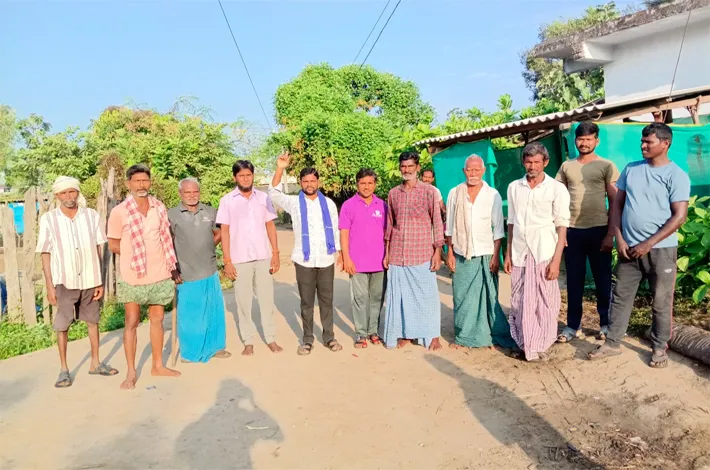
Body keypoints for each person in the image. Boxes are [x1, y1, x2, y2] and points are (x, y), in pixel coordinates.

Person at [589, 123, 690, 368]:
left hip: (661, 250)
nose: (643, 146)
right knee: (620, 297)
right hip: (628, 248)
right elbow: (617, 205)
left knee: (661, 301)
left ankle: (659, 347)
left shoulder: (676, 175)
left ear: (665, 144)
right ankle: (612, 343)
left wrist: (648, 243)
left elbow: (679, 216)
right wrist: (619, 238)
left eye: (648, 142)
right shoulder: (631, 169)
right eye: (642, 141)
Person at [36, 176, 118, 388]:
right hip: (64, 280)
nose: (68, 196)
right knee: (62, 325)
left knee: (93, 321)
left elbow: (99, 248)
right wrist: (49, 285)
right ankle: (64, 369)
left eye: (72, 191)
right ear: (57, 195)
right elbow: (45, 252)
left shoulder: (91, 216)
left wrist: (99, 281)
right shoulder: (49, 220)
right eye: (63, 193)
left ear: (77, 192)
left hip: (90, 279)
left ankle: (95, 363)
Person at [107, 164, 180, 389]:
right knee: (131, 321)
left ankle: (157, 366)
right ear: (128, 184)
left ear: (150, 182)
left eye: (145, 180)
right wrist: (136, 256)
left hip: (159, 272)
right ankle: (131, 372)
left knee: (157, 320)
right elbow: (113, 244)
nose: (141, 185)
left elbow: (165, 237)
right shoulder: (119, 212)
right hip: (133, 275)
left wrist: (170, 265)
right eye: (137, 181)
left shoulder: (159, 207)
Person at [269, 153, 343, 355]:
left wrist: (341, 254)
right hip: (304, 259)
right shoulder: (294, 203)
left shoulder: (328, 204)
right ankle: (307, 339)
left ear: (318, 182)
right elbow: (273, 193)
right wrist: (280, 168)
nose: (309, 184)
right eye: (305, 181)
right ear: (301, 183)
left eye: (312, 181)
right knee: (306, 302)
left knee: (327, 301)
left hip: (326, 259)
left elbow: (335, 229)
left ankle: (329, 337)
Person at [504, 143, 570, 362]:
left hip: (544, 252)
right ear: (523, 162)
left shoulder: (556, 188)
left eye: (537, 162)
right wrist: (508, 253)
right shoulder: (514, 187)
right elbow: (511, 221)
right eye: (528, 161)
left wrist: (556, 260)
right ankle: (525, 343)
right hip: (520, 251)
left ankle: (541, 344)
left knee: (545, 301)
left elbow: (562, 225)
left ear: (545, 162)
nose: (532, 166)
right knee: (519, 300)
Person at [556, 122, 619, 343]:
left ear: (596, 141)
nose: (584, 143)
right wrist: (560, 233)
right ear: (575, 140)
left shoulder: (606, 165)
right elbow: (557, 198)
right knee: (574, 281)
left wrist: (610, 234)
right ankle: (572, 326)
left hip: (599, 230)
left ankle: (605, 324)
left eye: (588, 139)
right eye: (580, 139)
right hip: (572, 231)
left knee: (603, 280)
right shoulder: (566, 166)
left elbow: (614, 200)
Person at [445, 155, 517, 350]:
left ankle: (488, 335)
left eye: (477, 170)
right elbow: (449, 227)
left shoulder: (492, 194)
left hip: (485, 253)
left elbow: (498, 229)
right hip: (461, 252)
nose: (473, 173)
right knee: (462, 298)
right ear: (464, 171)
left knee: (488, 296)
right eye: (470, 170)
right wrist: (449, 253)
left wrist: (496, 256)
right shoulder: (455, 193)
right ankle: (464, 337)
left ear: (484, 171)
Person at [217, 160, 282, 356]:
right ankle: (248, 341)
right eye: (241, 176)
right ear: (234, 177)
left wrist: (276, 253)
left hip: (263, 256)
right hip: (239, 258)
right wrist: (227, 261)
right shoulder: (227, 201)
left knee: (266, 299)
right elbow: (224, 231)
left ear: (253, 176)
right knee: (243, 302)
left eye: (248, 175)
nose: (245, 179)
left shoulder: (263, 198)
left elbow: (270, 225)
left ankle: (270, 337)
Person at [383, 151, 445, 351]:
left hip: (421, 252)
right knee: (403, 298)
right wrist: (387, 253)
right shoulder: (393, 193)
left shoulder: (429, 192)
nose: (407, 170)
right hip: (398, 254)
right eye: (403, 166)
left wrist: (438, 251)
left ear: (417, 167)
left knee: (427, 296)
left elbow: (437, 222)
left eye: (410, 166)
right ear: (399, 168)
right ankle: (407, 334)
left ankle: (432, 335)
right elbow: (390, 224)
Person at [168, 177, 230, 363]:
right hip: (185, 272)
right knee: (190, 314)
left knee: (213, 311)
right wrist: (172, 268)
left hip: (209, 269)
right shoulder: (171, 215)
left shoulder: (210, 212)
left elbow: (220, 232)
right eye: (187, 192)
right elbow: (166, 242)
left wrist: (209, 246)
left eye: (195, 192)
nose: (192, 195)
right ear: (180, 194)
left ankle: (216, 347)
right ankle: (190, 353)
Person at [339, 168, 387, 348]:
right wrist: (346, 258)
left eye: (370, 183)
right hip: (356, 262)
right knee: (359, 298)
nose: (366, 187)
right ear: (357, 184)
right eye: (363, 183)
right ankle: (361, 333)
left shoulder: (383, 206)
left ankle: (373, 331)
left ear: (375, 184)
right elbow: (344, 233)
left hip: (380, 262)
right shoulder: (348, 206)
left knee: (377, 297)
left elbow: (387, 234)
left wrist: (388, 255)